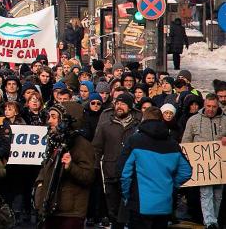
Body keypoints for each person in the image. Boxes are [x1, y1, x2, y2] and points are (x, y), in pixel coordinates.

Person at [119, 107, 192, 229]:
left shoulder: (135, 140)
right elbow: (186, 171)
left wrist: (127, 194)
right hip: (164, 202)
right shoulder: (172, 143)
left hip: (140, 203)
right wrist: (171, 185)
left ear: (144, 119)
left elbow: (124, 172)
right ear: (161, 120)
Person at [34, 101, 95, 229]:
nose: (49, 121)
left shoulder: (82, 145)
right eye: (49, 117)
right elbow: (44, 171)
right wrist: (39, 191)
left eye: (54, 117)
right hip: (50, 209)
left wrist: (70, 167)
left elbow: (88, 177)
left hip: (70, 213)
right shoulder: (54, 142)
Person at [93, 92, 139, 229]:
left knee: (127, 208)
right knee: (112, 208)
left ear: (130, 107)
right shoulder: (106, 126)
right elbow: (96, 148)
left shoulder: (137, 126)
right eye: (117, 103)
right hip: (110, 172)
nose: (119, 106)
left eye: (123, 104)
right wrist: (95, 167)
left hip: (130, 174)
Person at [181, 93, 226, 229]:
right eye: (208, 106)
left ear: (218, 106)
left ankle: (215, 220)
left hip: (220, 165)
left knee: (218, 195)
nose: (211, 109)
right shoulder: (193, 120)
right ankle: (210, 222)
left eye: (213, 106)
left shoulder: (225, 120)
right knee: (206, 193)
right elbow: (186, 142)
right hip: (203, 165)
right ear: (204, 105)